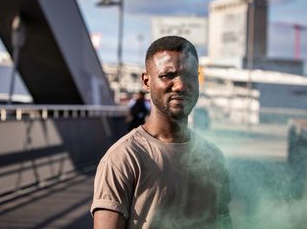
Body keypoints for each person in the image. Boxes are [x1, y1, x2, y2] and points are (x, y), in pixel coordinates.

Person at [91, 36, 232, 229]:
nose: (181, 85)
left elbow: (223, 221)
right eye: (167, 75)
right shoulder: (123, 159)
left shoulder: (213, 157)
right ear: (146, 81)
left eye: (190, 75)